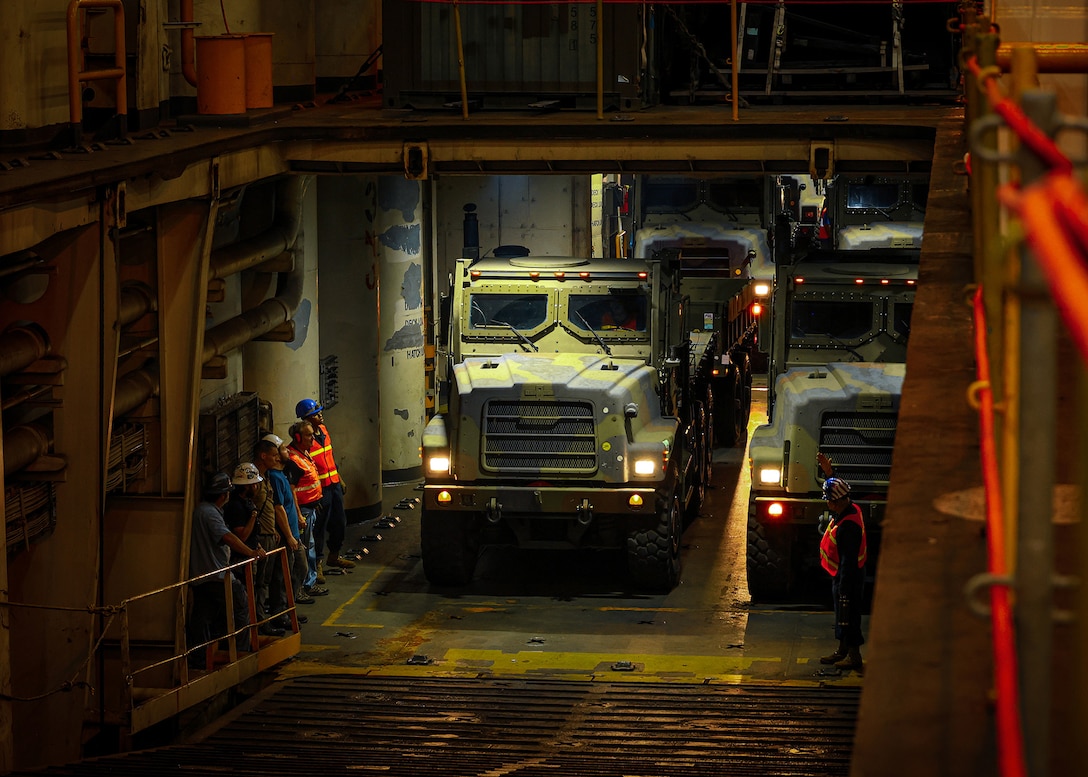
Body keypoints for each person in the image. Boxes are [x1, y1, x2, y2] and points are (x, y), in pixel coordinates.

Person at [187, 472, 265, 667]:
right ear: (224, 495)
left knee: (202, 618)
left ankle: (199, 660)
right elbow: (228, 537)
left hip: (201, 577)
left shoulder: (202, 510)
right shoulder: (210, 514)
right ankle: (240, 654)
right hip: (217, 576)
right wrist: (250, 552)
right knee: (241, 606)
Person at [816, 452, 867, 671]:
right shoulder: (851, 507)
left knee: (849, 614)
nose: (827, 503)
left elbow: (847, 561)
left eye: (829, 500)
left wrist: (844, 586)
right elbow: (839, 487)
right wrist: (830, 473)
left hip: (849, 577)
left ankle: (854, 655)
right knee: (843, 614)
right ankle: (842, 650)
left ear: (837, 502)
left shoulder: (849, 527)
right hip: (844, 575)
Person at [295, 398, 356, 572]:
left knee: (339, 522)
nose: (320, 415)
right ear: (307, 419)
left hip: (334, 484)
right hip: (320, 490)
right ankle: (318, 564)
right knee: (319, 527)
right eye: (316, 414)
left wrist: (340, 478)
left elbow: (329, 457)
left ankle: (334, 556)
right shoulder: (304, 440)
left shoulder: (323, 430)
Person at [224, 462, 284, 637]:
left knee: (259, 586)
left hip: (251, 553)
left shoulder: (245, 502)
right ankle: (251, 628)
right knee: (249, 592)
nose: (257, 487)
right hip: (241, 560)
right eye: (254, 484)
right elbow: (242, 536)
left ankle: (259, 621)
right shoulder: (236, 506)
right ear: (247, 486)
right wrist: (253, 516)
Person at [261, 434, 314, 609]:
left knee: (297, 570)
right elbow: (278, 508)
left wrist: (297, 518)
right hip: (287, 536)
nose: (285, 452)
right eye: (282, 450)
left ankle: (287, 608)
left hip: (292, 533)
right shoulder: (275, 478)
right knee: (284, 575)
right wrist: (290, 536)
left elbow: (290, 499)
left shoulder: (282, 475)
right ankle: (283, 611)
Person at [287, 420, 329, 598]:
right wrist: (298, 515)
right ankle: (303, 588)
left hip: (310, 509)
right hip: (303, 512)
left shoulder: (303, 454)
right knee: (304, 552)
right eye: (309, 435)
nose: (313, 438)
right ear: (298, 437)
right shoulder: (294, 460)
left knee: (309, 548)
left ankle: (308, 584)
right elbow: (292, 491)